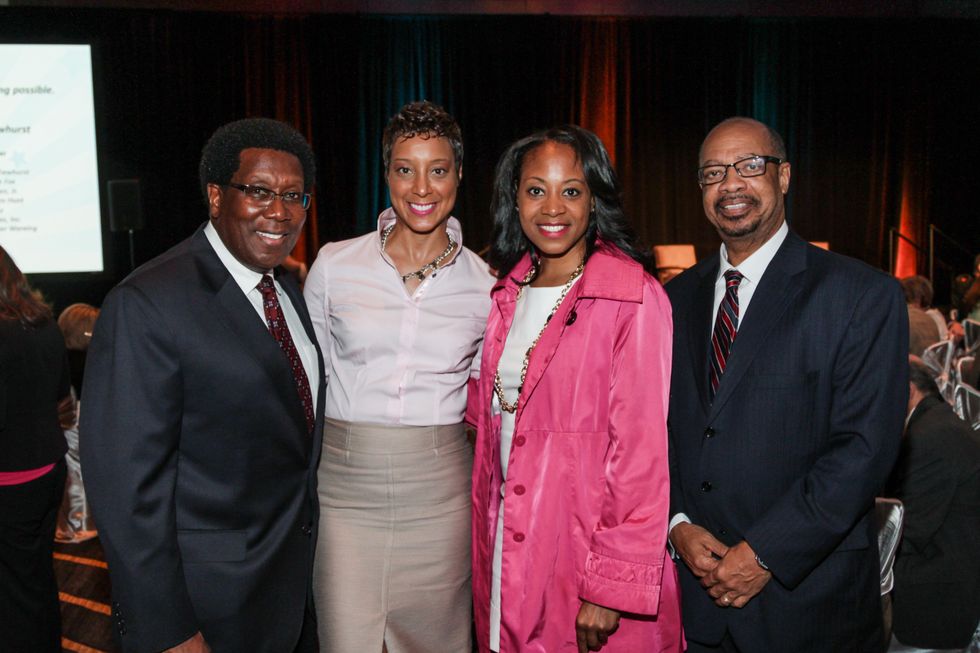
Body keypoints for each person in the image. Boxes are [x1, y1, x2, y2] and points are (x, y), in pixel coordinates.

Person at [80, 118, 324, 653]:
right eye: (258, 191)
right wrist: (167, 630)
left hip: (290, 596)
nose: (279, 212)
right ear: (216, 196)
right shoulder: (147, 303)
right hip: (206, 610)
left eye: (293, 196)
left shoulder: (286, 293)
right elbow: (126, 494)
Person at [666, 117, 908, 652]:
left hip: (810, 604)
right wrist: (677, 523)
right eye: (712, 173)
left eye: (750, 166)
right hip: (697, 603)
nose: (731, 184)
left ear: (785, 176)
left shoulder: (861, 295)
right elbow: (659, 430)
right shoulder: (674, 299)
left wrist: (765, 553)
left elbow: (864, 450)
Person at [468, 125, 683, 653]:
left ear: (594, 200)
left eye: (572, 190)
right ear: (514, 199)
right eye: (536, 189)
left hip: (582, 559)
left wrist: (611, 587)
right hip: (506, 554)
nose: (552, 207)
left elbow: (640, 457)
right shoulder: (505, 294)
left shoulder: (632, 297)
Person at [303, 100, 493, 652]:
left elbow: (486, 397)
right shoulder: (335, 265)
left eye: (438, 169)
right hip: (345, 492)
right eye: (405, 169)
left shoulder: (485, 286)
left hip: (439, 496)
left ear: (458, 175)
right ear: (386, 174)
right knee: (344, 639)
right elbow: (310, 379)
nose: (422, 187)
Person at [0, 245, 74, 653]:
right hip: (47, 471)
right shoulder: (44, 325)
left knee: (11, 590)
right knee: (37, 576)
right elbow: (62, 399)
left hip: (9, 481)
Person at [885, 358, 980, 650]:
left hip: (939, 597)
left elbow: (906, 533)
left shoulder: (930, 438)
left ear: (908, 391)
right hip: (951, 572)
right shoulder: (938, 422)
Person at [54, 302, 100, 543]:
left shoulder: (61, 360)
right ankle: (83, 521)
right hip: (90, 421)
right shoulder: (98, 359)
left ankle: (76, 522)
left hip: (72, 422)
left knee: (73, 471)